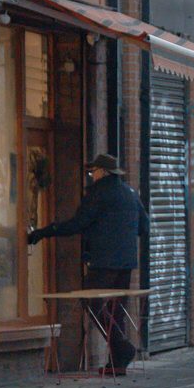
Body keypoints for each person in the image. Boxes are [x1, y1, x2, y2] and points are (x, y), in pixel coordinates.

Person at [29, 153, 149, 375]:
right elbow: (144, 227)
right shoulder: (130, 194)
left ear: (103, 172)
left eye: (93, 171)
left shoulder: (98, 193)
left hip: (103, 261)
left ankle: (121, 349)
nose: (91, 175)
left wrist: (45, 232)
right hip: (126, 263)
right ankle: (118, 364)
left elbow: (78, 223)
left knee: (92, 304)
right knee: (116, 310)